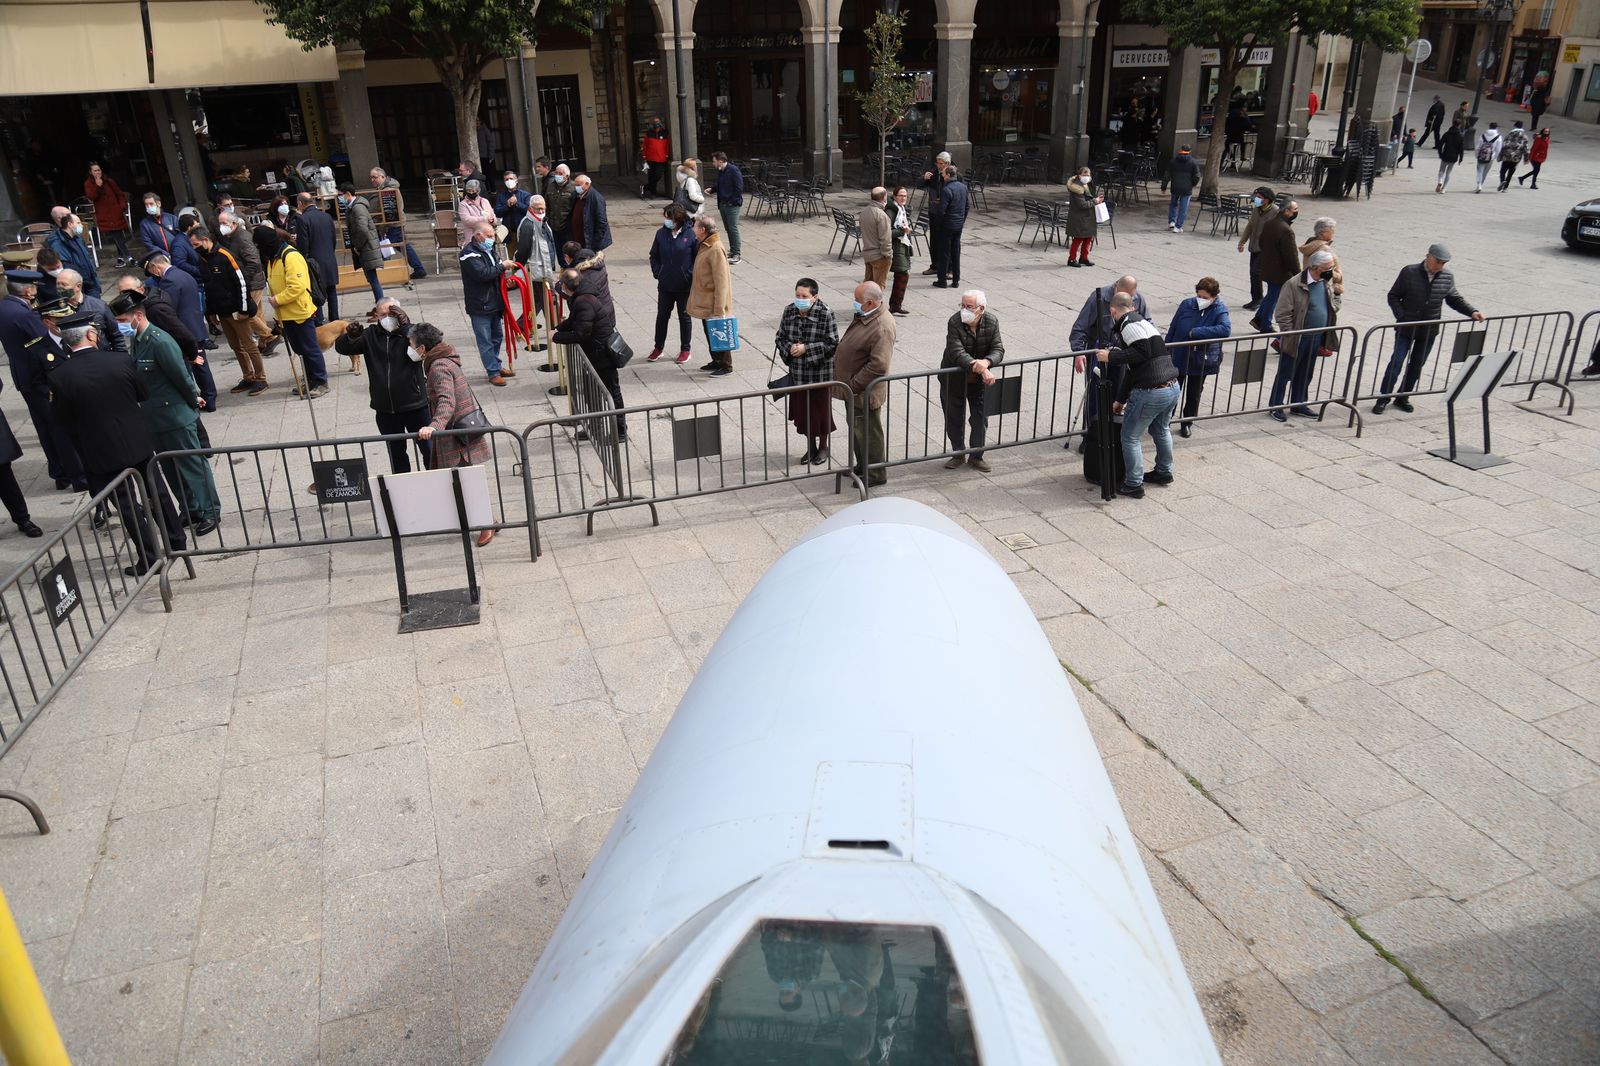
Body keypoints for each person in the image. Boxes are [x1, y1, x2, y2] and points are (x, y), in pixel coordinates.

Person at [47, 312, 186, 572]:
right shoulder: (120, 360)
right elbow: (142, 393)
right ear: (91, 335)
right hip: (137, 439)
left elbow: (61, 420)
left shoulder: (59, 376)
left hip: (100, 450)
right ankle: (177, 540)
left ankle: (149, 556)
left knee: (125, 504)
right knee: (157, 490)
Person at [109, 288, 220, 535]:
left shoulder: (160, 341)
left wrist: (194, 400)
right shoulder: (139, 340)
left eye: (122, 321)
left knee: (192, 466)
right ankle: (191, 508)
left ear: (137, 315)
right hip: (154, 418)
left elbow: (181, 377)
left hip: (175, 416)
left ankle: (210, 510)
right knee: (170, 468)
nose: (120, 326)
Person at [412, 323, 497, 548]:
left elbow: (447, 400)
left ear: (422, 348)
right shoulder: (445, 357)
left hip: (456, 437)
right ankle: (484, 519)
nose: (410, 349)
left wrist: (434, 425)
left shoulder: (438, 366)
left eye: (412, 345)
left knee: (466, 482)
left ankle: (486, 523)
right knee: (464, 480)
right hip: (460, 432)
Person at [0, 269, 86, 490]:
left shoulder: (5, 308)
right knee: (60, 428)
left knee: (45, 428)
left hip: (24, 377)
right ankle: (76, 475)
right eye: (34, 287)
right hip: (40, 377)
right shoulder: (24, 314)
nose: (36, 290)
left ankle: (59, 472)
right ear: (28, 290)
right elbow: (46, 341)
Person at [1374, 243, 1485, 413]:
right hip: (1407, 328)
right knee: (1396, 362)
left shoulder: (1446, 276)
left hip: (1428, 330)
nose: (1440, 266)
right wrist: (1402, 316)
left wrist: (1472, 311)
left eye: (1443, 263)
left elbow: (1454, 299)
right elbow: (1394, 296)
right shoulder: (1409, 272)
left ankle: (1403, 396)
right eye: (1438, 262)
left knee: (1417, 365)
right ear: (1428, 257)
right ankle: (1383, 397)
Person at [1097, 291, 1178, 498]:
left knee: (1129, 437)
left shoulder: (1128, 325)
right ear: (1132, 306)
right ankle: (1164, 472)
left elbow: (1142, 353)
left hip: (1151, 391)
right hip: (1171, 387)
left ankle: (1134, 483)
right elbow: (1134, 368)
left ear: (1112, 310)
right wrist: (1120, 399)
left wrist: (1111, 356)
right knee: (1161, 430)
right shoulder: (1142, 322)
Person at [114, 272, 213, 442]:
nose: (125, 297)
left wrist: (191, 355)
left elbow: (181, 334)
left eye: (128, 291)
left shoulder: (155, 310)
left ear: (141, 289)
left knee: (188, 408)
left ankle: (202, 443)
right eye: (121, 293)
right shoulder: (136, 329)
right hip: (160, 399)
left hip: (172, 363)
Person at [336, 300, 432, 473]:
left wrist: (406, 328)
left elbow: (427, 346)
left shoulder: (412, 331)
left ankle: (438, 486)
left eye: (392, 314)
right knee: (397, 456)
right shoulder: (371, 335)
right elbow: (342, 348)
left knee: (429, 451)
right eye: (383, 315)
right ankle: (403, 493)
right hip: (386, 410)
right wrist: (351, 336)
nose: (387, 318)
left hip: (415, 406)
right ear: (377, 316)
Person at [190, 225, 266, 395]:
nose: (194, 249)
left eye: (196, 245)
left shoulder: (225, 256)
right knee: (235, 346)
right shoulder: (203, 260)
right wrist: (211, 312)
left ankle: (261, 378)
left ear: (205, 240)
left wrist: (244, 309)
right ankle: (248, 376)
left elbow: (242, 283)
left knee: (249, 345)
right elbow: (208, 287)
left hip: (237, 311)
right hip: (222, 312)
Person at [551, 266, 626, 438]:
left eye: (562, 285)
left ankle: (619, 430)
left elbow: (581, 334)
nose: (561, 288)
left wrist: (557, 337)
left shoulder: (584, 301)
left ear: (568, 287)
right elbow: (573, 320)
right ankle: (595, 427)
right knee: (591, 392)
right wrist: (557, 330)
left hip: (602, 356)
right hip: (594, 354)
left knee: (611, 393)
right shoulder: (582, 296)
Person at [833, 281, 895, 487]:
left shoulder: (881, 326)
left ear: (870, 303)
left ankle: (875, 474)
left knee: (868, 433)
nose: (854, 304)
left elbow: (878, 364)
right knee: (857, 430)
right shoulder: (866, 315)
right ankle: (862, 466)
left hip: (863, 391)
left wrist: (853, 384)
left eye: (858, 300)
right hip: (852, 389)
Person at [254, 226, 326, 398]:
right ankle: (310, 379)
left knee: (310, 349)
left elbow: (297, 287)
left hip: (300, 312)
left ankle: (320, 381)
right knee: (299, 349)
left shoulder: (291, 256)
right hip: (285, 315)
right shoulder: (272, 258)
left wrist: (277, 300)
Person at [1269, 250, 1340, 422]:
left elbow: (1333, 303)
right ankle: (1275, 406)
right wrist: (1290, 334)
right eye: (1328, 267)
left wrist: (1336, 300)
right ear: (1315, 267)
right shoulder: (1293, 284)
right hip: (1298, 336)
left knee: (1306, 373)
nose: (1332, 271)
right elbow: (1282, 313)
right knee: (1286, 373)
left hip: (1316, 336)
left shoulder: (1325, 282)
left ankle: (1298, 403)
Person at [775, 278, 839, 465]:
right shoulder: (789, 311)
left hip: (820, 374)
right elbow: (780, 337)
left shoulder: (825, 313)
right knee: (803, 412)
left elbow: (832, 343)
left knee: (821, 412)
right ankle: (810, 446)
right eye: (797, 295)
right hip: (798, 373)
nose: (800, 299)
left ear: (814, 297)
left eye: (804, 296)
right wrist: (790, 348)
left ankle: (823, 447)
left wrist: (807, 349)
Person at [940, 289, 1003, 473]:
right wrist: (982, 367)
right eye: (962, 305)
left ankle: (976, 456)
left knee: (980, 418)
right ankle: (958, 453)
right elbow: (956, 351)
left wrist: (987, 361)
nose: (964, 310)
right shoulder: (954, 322)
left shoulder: (991, 321)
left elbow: (998, 348)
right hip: (954, 379)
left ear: (981, 308)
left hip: (979, 381)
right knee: (954, 418)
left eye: (969, 307)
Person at [1165, 276, 1231, 438]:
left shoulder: (1219, 309)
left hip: (1200, 358)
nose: (1201, 300)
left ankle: (1187, 422)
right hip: (1179, 354)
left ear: (1214, 297)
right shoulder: (1187, 304)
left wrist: (1196, 333)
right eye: (1199, 296)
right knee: (1172, 391)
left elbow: (1225, 329)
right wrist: (1166, 348)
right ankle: (1165, 420)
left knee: (1194, 393)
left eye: (1205, 298)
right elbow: (1174, 326)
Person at [217, 209, 277, 352]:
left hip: (252, 281)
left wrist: (244, 280)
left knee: (247, 314)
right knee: (257, 314)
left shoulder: (241, 238)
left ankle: (270, 336)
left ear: (233, 223)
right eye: (220, 223)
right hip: (253, 280)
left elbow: (253, 262)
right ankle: (265, 342)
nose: (221, 226)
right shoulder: (233, 237)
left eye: (223, 223)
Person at [460, 219, 511, 386]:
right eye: (489, 236)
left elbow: (494, 272)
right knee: (485, 341)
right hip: (480, 305)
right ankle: (492, 372)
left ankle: (496, 365)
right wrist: (502, 267)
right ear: (478, 235)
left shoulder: (490, 249)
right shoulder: (468, 254)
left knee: (497, 337)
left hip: (494, 302)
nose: (492, 238)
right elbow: (482, 274)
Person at [647, 203, 696, 364]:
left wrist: (690, 275)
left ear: (678, 218)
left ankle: (685, 350)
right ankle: (658, 347)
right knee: (662, 316)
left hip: (684, 285)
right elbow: (654, 255)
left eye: (669, 217)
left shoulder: (691, 235)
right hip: (665, 284)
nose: (667, 220)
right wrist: (658, 272)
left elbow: (697, 258)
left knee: (684, 317)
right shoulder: (661, 234)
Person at [686, 214, 734, 376]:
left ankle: (726, 365)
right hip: (706, 301)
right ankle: (716, 360)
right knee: (710, 331)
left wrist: (719, 308)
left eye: (694, 227)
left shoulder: (715, 248)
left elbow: (721, 282)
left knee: (719, 331)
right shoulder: (705, 244)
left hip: (714, 302)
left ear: (702, 230)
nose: (692, 229)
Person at [514, 194, 562, 343]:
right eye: (538, 208)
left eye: (543, 208)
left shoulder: (541, 221)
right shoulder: (528, 224)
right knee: (547, 299)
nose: (541, 211)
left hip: (544, 268)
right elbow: (523, 250)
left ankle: (523, 326)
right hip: (537, 270)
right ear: (530, 208)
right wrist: (521, 268)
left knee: (540, 300)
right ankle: (555, 327)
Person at [369, 165, 427, 279]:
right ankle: (418, 269)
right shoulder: (383, 189)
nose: (372, 180)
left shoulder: (388, 190)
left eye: (374, 177)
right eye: (371, 177)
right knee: (399, 246)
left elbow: (388, 210)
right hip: (390, 224)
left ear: (382, 176)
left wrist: (381, 223)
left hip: (391, 225)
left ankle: (385, 273)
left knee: (386, 247)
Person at [1252, 198, 1299, 333]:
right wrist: (1298, 273)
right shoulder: (1286, 230)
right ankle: (1265, 324)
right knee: (1273, 297)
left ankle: (1258, 318)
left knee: (1271, 295)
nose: (1296, 212)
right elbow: (1291, 255)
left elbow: (1261, 243)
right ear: (1287, 211)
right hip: (1280, 272)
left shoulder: (1270, 223)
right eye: (1294, 210)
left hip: (1268, 267)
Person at [293, 193, 340, 325]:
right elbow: (333, 239)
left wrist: (302, 259)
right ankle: (334, 318)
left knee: (315, 290)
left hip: (313, 261)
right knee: (331, 289)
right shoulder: (326, 216)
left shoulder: (303, 219)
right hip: (329, 257)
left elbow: (303, 245)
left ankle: (319, 320)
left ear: (300, 203)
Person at [58, 269, 125, 353]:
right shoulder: (57, 310)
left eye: (64, 285)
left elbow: (116, 336)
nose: (59, 288)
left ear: (78, 286)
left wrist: (120, 358)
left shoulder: (99, 306)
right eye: (58, 284)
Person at [338, 183, 385, 302]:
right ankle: (379, 305)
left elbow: (362, 229)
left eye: (341, 195)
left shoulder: (357, 207)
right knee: (371, 278)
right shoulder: (353, 207)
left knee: (373, 279)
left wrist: (357, 246)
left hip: (366, 247)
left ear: (348, 194)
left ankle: (381, 306)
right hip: (366, 246)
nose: (340, 198)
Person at [1235, 187, 1279, 311]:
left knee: (1256, 272)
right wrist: (1242, 242)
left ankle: (1259, 299)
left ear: (1267, 199)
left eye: (1259, 197)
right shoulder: (1256, 210)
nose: (1256, 199)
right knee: (1253, 273)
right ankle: (1255, 298)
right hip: (1254, 246)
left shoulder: (1275, 212)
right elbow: (1250, 226)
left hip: (1265, 248)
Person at [84, 163, 134, 266]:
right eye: (95, 171)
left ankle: (121, 258)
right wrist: (97, 187)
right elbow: (91, 197)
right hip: (104, 214)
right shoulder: (88, 184)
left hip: (116, 211)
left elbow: (119, 194)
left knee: (118, 234)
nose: (98, 172)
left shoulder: (109, 181)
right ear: (90, 172)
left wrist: (122, 206)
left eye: (99, 170)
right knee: (115, 234)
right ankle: (128, 257)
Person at [46, 213, 100, 299]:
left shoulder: (77, 238)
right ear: (70, 224)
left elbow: (87, 256)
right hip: (79, 283)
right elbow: (66, 265)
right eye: (78, 223)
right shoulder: (57, 243)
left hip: (90, 282)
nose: (81, 225)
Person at [934, 166, 969, 289]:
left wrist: (938, 224)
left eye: (943, 174)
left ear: (948, 175)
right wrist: (961, 221)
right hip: (958, 225)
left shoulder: (947, 189)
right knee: (956, 252)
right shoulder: (963, 187)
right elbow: (967, 207)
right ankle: (955, 280)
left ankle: (942, 280)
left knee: (944, 253)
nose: (942, 176)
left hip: (947, 225)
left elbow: (942, 210)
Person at [920, 152, 952, 276]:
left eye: (941, 164)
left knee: (947, 243)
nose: (938, 166)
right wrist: (924, 177)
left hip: (946, 214)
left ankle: (949, 269)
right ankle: (935, 265)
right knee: (934, 241)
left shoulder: (953, 175)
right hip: (934, 212)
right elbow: (919, 184)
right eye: (937, 163)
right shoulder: (933, 173)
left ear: (947, 164)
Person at [709, 152, 744, 263]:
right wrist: (712, 189)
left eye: (714, 161)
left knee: (733, 228)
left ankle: (737, 254)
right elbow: (720, 184)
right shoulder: (721, 171)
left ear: (720, 161)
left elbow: (739, 188)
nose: (713, 163)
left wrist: (731, 202)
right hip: (723, 203)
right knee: (728, 228)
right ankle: (733, 251)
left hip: (731, 205)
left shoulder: (733, 170)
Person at [1297, 217, 1344, 295]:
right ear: (1323, 233)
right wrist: (1337, 277)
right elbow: (1331, 272)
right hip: (1319, 285)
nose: (1334, 232)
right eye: (1332, 230)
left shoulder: (1310, 243)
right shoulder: (1325, 249)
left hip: (1307, 281)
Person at [568, 174, 613, 253]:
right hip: (578, 238)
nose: (576, 187)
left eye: (579, 185)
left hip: (590, 241)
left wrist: (595, 243)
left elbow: (602, 222)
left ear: (587, 184)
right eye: (575, 185)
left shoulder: (596, 198)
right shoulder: (576, 195)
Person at [858, 187, 892, 289]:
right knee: (878, 288)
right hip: (879, 256)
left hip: (868, 254)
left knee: (868, 287)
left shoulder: (864, 212)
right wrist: (888, 255)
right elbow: (885, 239)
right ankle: (875, 305)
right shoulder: (881, 215)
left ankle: (864, 303)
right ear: (883, 197)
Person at [887, 185, 914, 316]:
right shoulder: (891, 211)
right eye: (900, 195)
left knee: (901, 275)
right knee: (903, 274)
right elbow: (886, 233)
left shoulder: (900, 209)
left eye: (905, 196)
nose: (903, 198)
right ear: (895, 196)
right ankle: (895, 305)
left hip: (902, 246)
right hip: (895, 247)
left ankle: (895, 304)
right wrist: (902, 231)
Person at [495, 171, 533, 256]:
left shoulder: (525, 195)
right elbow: (497, 211)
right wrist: (507, 205)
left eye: (511, 178)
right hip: (509, 232)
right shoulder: (501, 196)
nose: (509, 181)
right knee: (512, 256)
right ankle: (515, 269)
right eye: (506, 179)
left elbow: (529, 210)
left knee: (526, 255)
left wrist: (517, 203)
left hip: (524, 230)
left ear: (516, 180)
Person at [1164, 145, 1200, 233]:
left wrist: (1163, 186)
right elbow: (1197, 176)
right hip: (1186, 189)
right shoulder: (1193, 162)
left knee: (1173, 204)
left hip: (1175, 187)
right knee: (1183, 208)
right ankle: (1178, 227)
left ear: (1181, 150)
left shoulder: (1173, 161)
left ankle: (1171, 222)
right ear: (1190, 151)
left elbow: (1167, 174)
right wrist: (1192, 184)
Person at [1496, 120, 1530, 192]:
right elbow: (1526, 148)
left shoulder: (1509, 134)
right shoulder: (1524, 136)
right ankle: (1505, 187)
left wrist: (1500, 155)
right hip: (1516, 157)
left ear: (1515, 126)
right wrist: (1526, 158)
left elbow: (1504, 145)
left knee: (1503, 170)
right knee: (1511, 172)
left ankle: (1502, 181)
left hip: (1507, 155)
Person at [641, 120, 672, 197]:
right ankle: (652, 192)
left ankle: (646, 187)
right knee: (651, 176)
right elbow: (645, 145)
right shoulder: (649, 133)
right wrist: (644, 156)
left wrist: (667, 155)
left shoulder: (665, 133)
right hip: (650, 158)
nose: (657, 129)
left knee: (658, 175)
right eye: (655, 128)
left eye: (658, 127)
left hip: (661, 159)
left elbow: (667, 145)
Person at [543, 163, 576, 235]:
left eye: (560, 174)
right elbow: (546, 204)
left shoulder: (573, 188)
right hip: (553, 226)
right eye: (556, 173)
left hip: (567, 227)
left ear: (567, 176)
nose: (557, 175)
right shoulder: (550, 186)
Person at [1436, 119, 1465, 193]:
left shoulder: (1447, 134)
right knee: (1448, 172)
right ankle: (1444, 188)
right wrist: (1460, 158)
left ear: (1452, 124)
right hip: (1453, 157)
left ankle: (1440, 181)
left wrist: (1440, 153)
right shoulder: (1460, 136)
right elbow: (1461, 149)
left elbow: (1440, 144)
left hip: (1445, 154)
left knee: (1441, 170)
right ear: (1459, 125)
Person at [1473, 121, 1504, 193]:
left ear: (1489, 127)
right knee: (1485, 172)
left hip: (1481, 156)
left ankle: (1479, 185)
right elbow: (1498, 149)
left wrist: (1477, 155)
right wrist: (1494, 157)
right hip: (1490, 156)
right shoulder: (1498, 137)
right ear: (1496, 128)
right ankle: (1481, 184)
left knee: (1479, 171)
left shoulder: (1483, 135)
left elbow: (1478, 146)